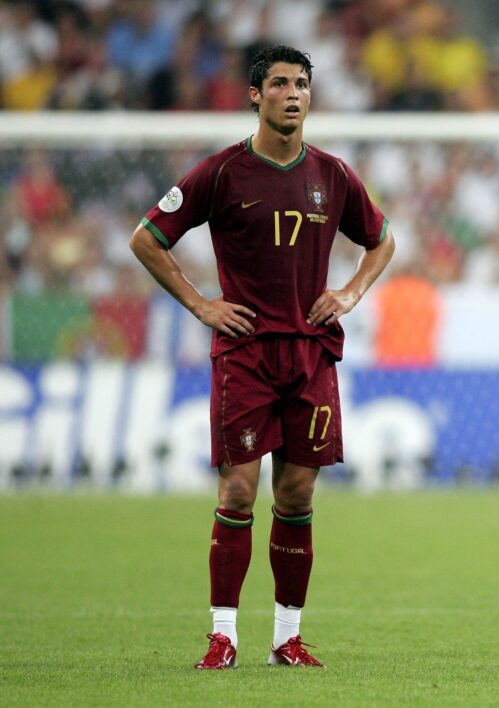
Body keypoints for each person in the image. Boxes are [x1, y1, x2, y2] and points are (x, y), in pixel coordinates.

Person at [129, 45, 395, 669]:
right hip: (245, 354)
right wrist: (201, 305)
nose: (293, 93)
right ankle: (224, 636)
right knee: (240, 491)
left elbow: (382, 241)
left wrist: (351, 292)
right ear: (256, 95)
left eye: (301, 83)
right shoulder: (221, 173)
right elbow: (146, 239)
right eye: (279, 83)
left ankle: (286, 640)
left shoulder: (332, 175)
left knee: (298, 496)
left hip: (311, 354)